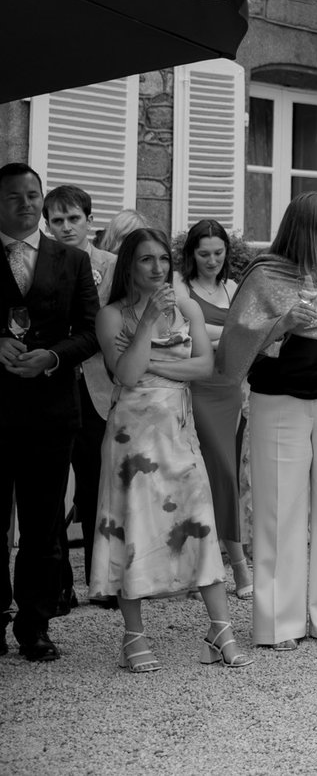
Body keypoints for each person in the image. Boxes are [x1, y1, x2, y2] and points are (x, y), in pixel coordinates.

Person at [89, 228, 252, 671]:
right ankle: (133, 636)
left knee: (199, 522)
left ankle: (220, 631)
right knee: (134, 525)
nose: (158, 268)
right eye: (146, 259)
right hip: (132, 438)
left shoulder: (187, 307)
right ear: (129, 264)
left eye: (163, 259)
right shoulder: (111, 316)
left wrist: (152, 362)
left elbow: (204, 366)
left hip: (179, 432)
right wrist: (145, 326)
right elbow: (125, 375)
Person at [217, 192, 317, 650]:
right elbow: (233, 348)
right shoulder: (265, 275)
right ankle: (278, 623)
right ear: (308, 228)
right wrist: (281, 323)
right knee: (278, 509)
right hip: (278, 400)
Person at [0, 162, 102, 662]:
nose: (27, 203)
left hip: (52, 410)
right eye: (15, 196)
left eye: (33, 194)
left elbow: (91, 330)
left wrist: (54, 357)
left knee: (43, 526)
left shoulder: (72, 260)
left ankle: (34, 624)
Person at [41, 183, 117, 610]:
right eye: (58, 220)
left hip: (99, 386)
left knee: (97, 486)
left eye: (74, 219)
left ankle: (101, 580)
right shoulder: (37, 263)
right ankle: (57, 585)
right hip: (50, 383)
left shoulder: (111, 265)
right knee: (51, 489)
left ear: (90, 220)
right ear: (47, 225)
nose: (67, 227)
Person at [174, 219, 253, 597]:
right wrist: (228, 336)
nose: (212, 260)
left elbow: (248, 335)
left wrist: (212, 335)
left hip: (230, 388)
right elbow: (183, 333)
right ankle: (235, 568)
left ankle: (207, 570)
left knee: (227, 475)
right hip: (196, 389)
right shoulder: (179, 283)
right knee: (211, 475)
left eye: (218, 253)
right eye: (204, 253)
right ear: (192, 254)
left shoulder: (233, 287)